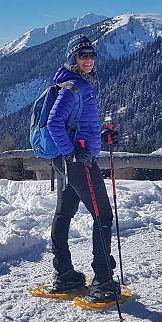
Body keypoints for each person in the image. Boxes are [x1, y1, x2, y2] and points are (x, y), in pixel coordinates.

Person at [46, 34, 121, 302]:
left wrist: (99, 137)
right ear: (73, 58)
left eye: (91, 55)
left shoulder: (76, 84)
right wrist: (73, 153)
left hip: (69, 160)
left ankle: (64, 274)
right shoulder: (74, 87)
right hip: (78, 162)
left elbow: (75, 125)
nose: (88, 60)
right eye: (82, 55)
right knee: (103, 216)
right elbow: (54, 123)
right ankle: (102, 281)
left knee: (64, 213)